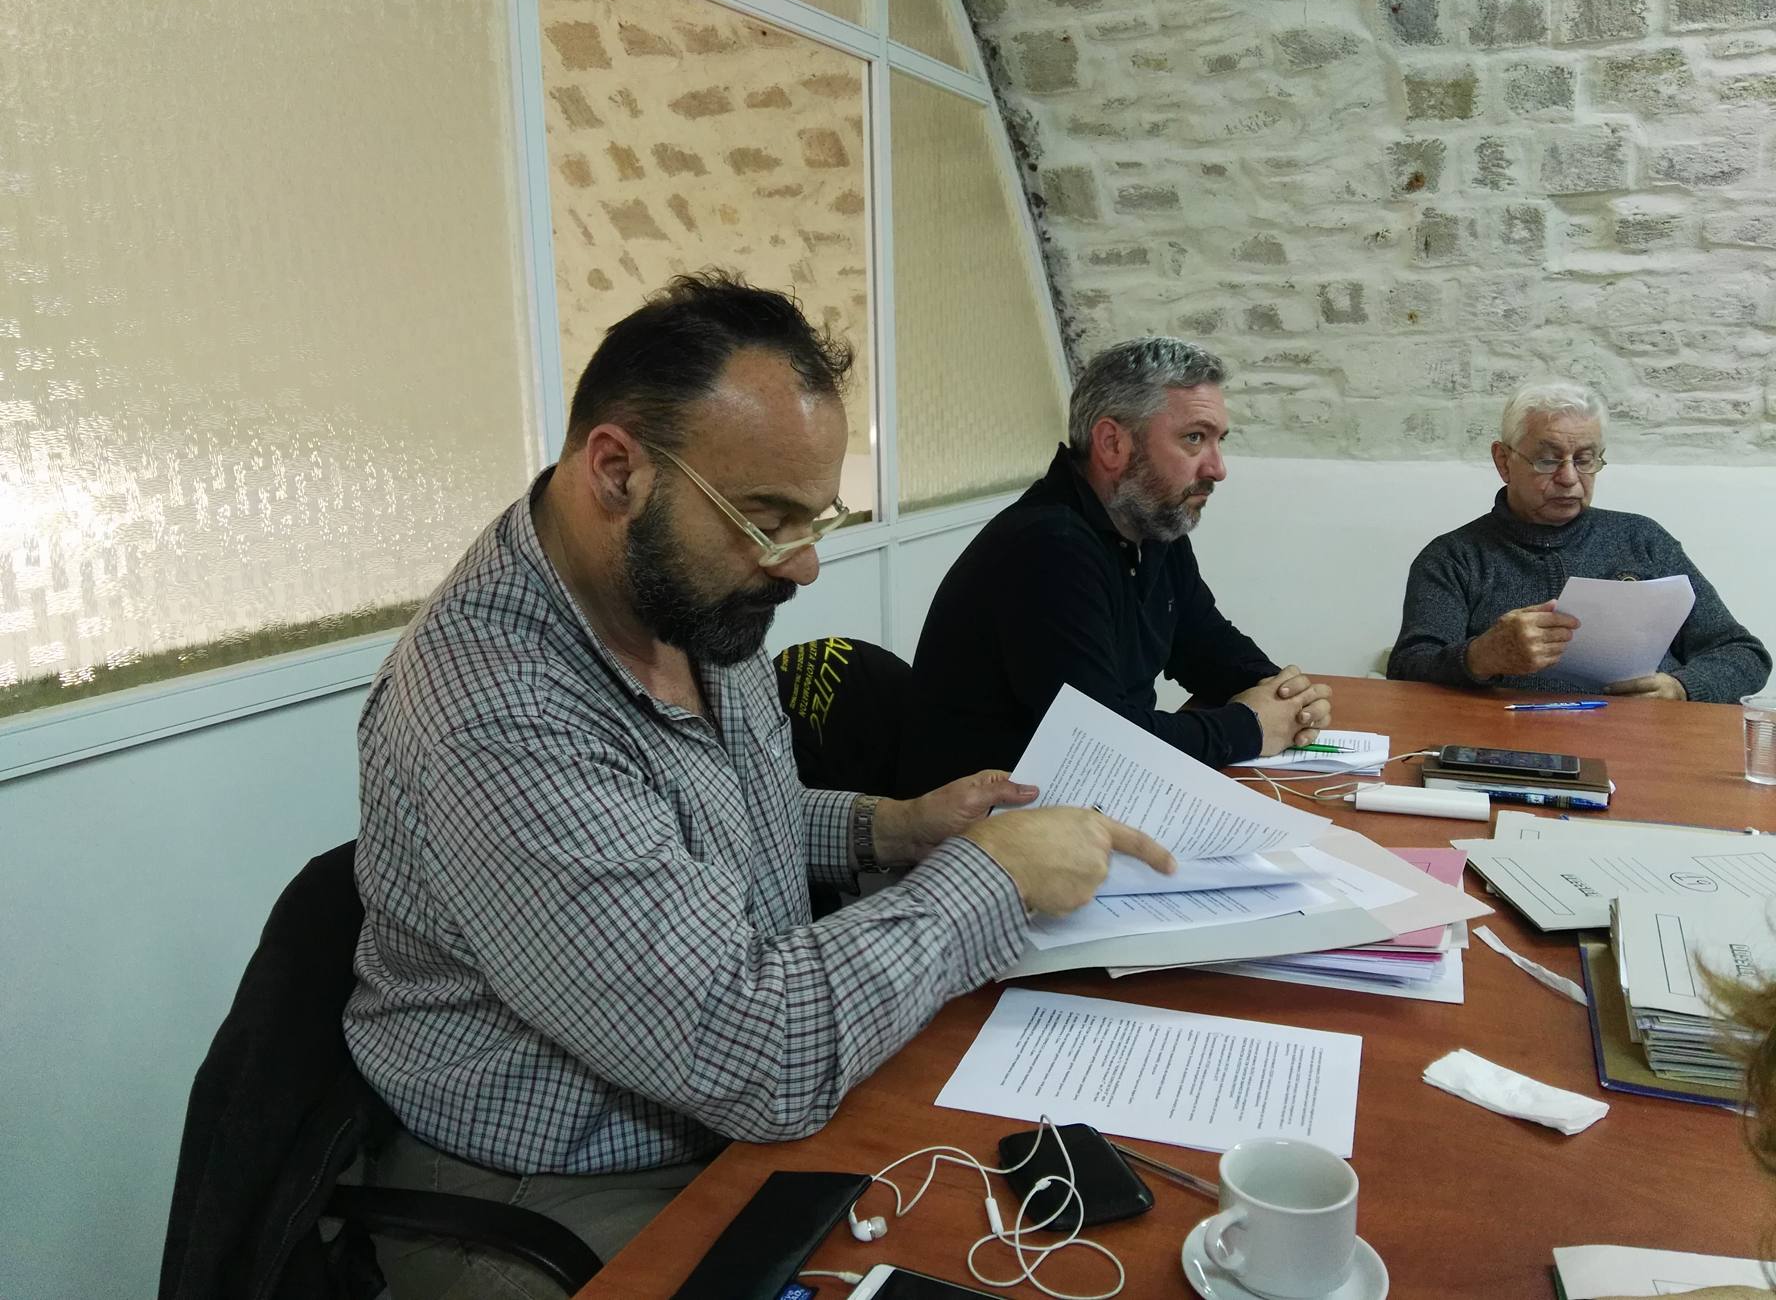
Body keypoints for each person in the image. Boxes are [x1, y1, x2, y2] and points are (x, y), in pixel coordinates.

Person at [342, 272, 1172, 1297]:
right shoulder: (496, 712)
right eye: (768, 517)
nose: (802, 566)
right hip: (557, 1184)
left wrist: (892, 826)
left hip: (723, 1107)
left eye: (814, 519)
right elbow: (755, 1052)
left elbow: (713, 818)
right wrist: (992, 879)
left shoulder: (682, 598)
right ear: (617, 472)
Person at [898, 337, 1332, 797]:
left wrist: (1286, 699)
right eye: (1194, 438)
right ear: (1112, 444)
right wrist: (1250, 726)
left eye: (1218, 441)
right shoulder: (1049, 547)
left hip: (1082, 804)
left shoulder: (1154, 526)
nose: (1217, 468)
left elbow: (1208, 647)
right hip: (991, 825)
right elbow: (1102, 744)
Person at [1388, 383, 1769, 702]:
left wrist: (1682, 687)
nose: (1569, 478)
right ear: (1504, 461)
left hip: (1641, 741)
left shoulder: (1642, 539)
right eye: (1547, 460)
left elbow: (1744, 655)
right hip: (1511, 745)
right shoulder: (1454, 557)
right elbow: (1406, 670)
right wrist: (1480, 657)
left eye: (1585, 459)